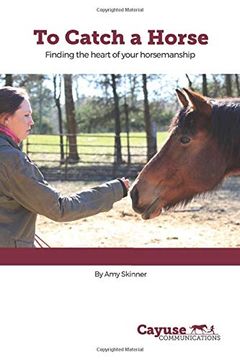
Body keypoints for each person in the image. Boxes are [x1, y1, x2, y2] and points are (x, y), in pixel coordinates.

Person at [0, 86, 130, 247]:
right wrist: (114, 190)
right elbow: (60, 208)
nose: (31, 122)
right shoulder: (10, 159)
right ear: (5, 119)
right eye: (26, 115)